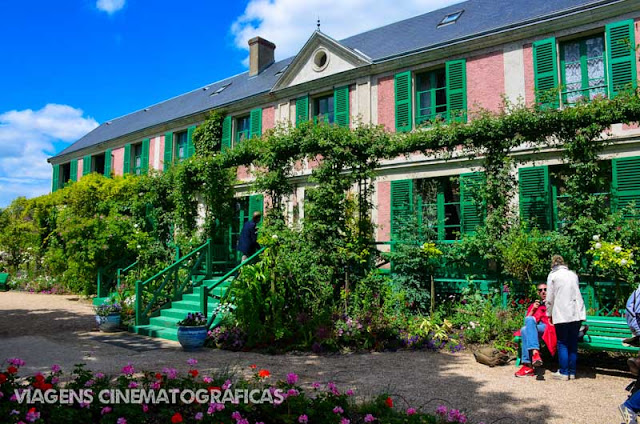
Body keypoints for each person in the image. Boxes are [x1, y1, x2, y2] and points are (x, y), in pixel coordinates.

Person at [545, 255, 586, 380]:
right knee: (573, 343)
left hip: (562, 313)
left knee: (562, 342)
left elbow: (550, 298)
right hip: (577, 312)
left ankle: (564, 372)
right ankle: (572, 372)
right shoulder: (573, 275)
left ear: (553, 264)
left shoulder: (553, 276)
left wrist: (549, 314)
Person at [514, 283, 557, 378]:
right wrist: (533, 309)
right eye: (540, 290)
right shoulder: (536, 305)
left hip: (549, 328)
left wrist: (549, 306)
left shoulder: (554, 302)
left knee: (526, 329)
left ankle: (528, 364)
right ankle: (534, 356)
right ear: (538, 293)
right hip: (537, 329)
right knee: (525, 328)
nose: (543, 292)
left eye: (545, 289)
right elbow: (527, 321)